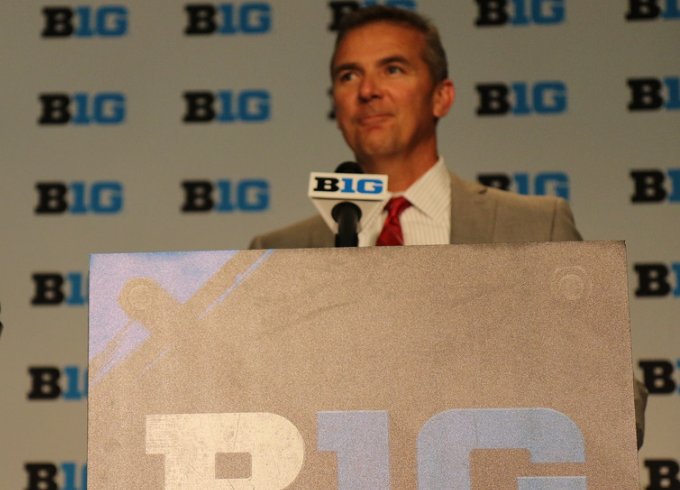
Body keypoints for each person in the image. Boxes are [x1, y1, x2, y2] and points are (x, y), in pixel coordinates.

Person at [249, 5, 646, 447]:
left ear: (442, 96)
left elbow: (610, 393)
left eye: (393, 69)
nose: (368, 91)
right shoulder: (277, 253)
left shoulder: (535, 225)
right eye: (348, 76)